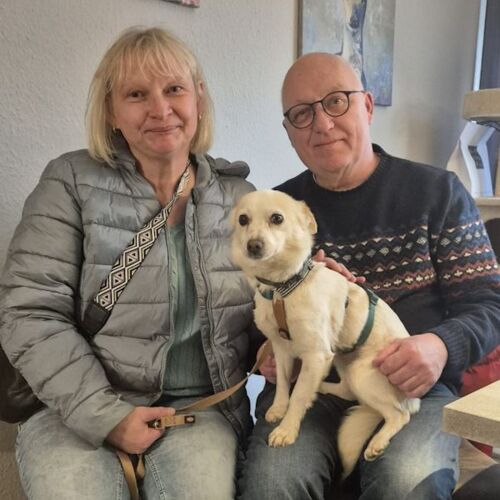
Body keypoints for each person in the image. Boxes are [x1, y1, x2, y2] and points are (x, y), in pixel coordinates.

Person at [0, 27, 256, 499]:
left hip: (200, 410)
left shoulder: (240, 197)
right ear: (111, 111)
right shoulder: (69, 181)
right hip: (74, 409)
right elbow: (30, 312)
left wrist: (301, 307)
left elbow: (260, 311)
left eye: (174, 89)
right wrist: (107, 416)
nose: (160, 109)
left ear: (198, 98)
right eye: (137, 94)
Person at [238, 53, 500, 500]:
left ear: (368, 106)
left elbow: (489, 304)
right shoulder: (274, 211)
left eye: (336, 101)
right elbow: (250, 317)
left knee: (406, 482)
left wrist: (439, 347)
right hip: (312, 386)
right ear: (289, 132)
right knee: (272, 484)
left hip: (416, 388)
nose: (322, 124)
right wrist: (265, 346)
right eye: (302, 114)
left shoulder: (438, 193)